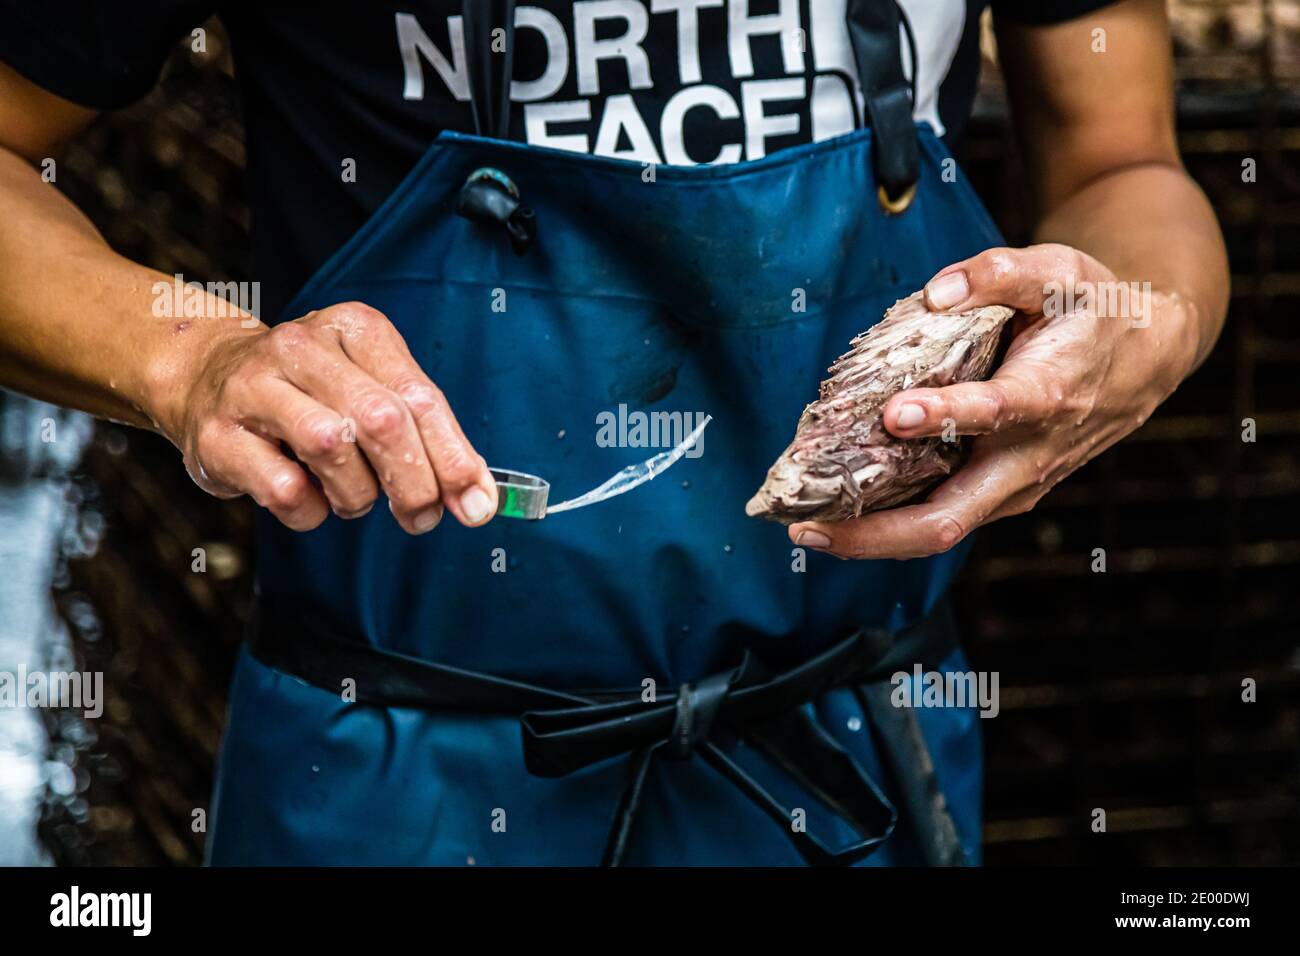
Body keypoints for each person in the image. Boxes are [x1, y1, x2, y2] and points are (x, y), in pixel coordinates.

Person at [0, 0, 1228, 865]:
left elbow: (1124, 159)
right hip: (400, 784)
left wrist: (1141, 322)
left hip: (852, 758)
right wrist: (189, 355)